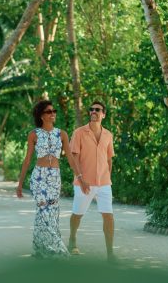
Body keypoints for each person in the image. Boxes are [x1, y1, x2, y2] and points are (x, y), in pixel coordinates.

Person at [16, 100, 85, 258]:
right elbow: (27, 160)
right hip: (39, 177)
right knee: (43, 210)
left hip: (54, 177)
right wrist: (20, 184)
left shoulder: (62, 134)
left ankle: (40, 248)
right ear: (41, 116)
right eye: (49, 112)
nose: (53, 114)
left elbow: (70, 158)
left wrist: (80, 178)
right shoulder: (34, 134)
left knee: (51, 211)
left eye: (54, 111)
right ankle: (59, 249)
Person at [68, 101, 115, 261]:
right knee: (77, 214)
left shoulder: (108, 135)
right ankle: (72, 239)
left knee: (108, 216)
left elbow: (109, 158)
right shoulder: (79, 133)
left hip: (104, 183)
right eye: (91, 109)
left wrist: (108, 176)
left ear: (104, 114)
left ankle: (110, 253)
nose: (93, 111)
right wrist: (80, 179)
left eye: (97, 110)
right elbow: (73, 157)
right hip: (84, 182)